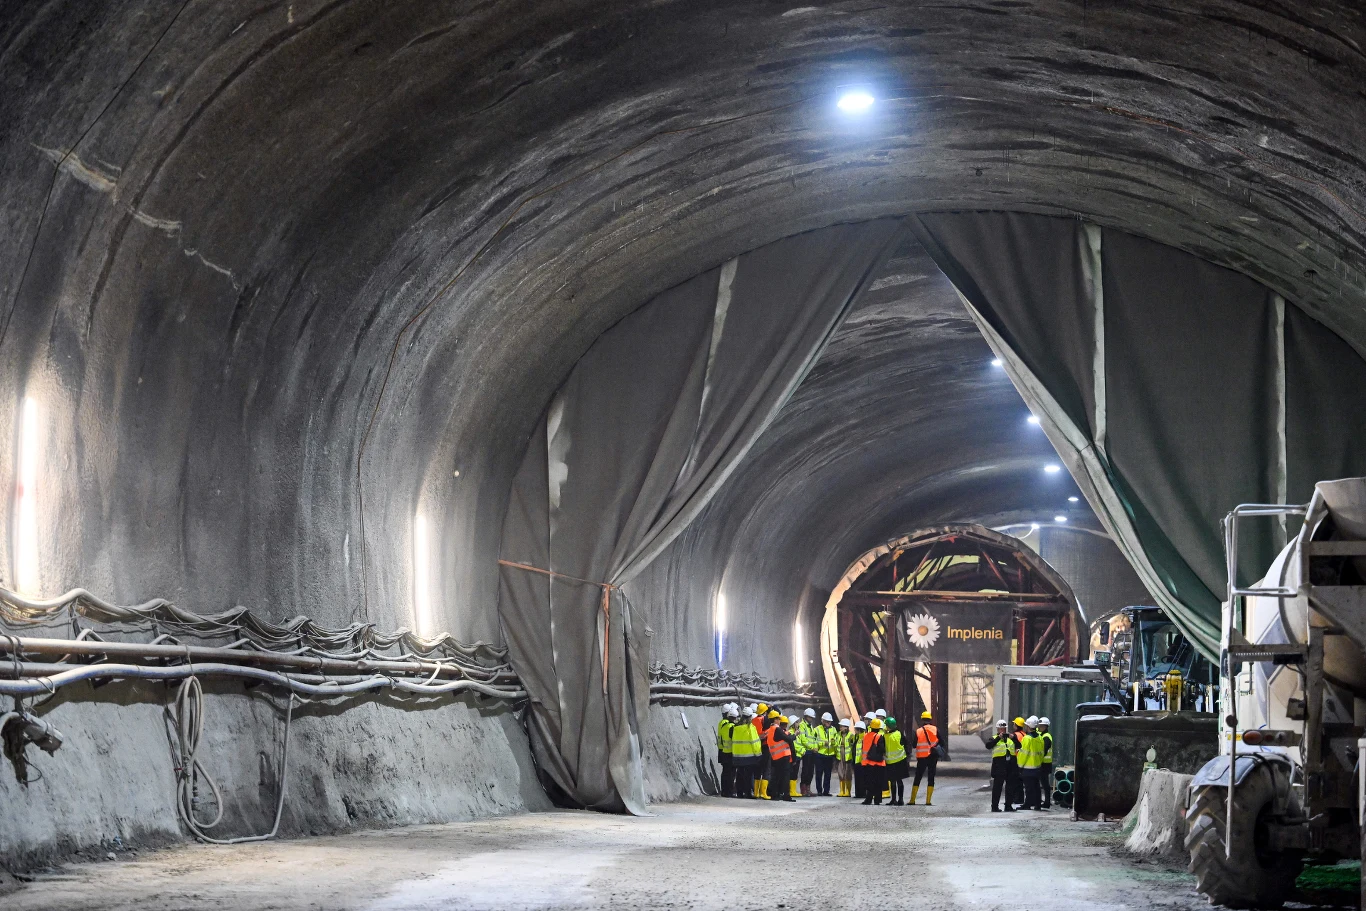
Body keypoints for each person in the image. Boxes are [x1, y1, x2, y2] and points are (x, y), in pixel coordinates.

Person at [909, 710, 940, 805]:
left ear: (922, 720)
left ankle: (912, 800)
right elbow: (942, 742)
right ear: (930, 720)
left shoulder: (918, 731)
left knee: (918, 777)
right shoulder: (935, 729)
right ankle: (928, 801)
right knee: (931, 778)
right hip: (933, 756)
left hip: (922, 757)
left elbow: (914, 745)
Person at [730, 706, 761, 798]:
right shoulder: (750, 728)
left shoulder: (736, 727)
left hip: (737, 756)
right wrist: (758, 754)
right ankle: (747, 793)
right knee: (748, 775)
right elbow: (755, 742)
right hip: (749, 756)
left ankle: (739, 793)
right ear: (750, 717)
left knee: (739, 775)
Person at [988, 719, 1018, 812]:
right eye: (1001, 729)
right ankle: (995, 806)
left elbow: (1019, 745)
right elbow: (988, 745)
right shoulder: (994, 738)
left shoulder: (1011, 739)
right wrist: (998, 738)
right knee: (997, 787)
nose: (1002, 731)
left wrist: (1013, 738)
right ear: (997, 729)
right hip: (999, 765)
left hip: (1010, 765)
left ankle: (1008, 806)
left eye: (1004, 729)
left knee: (1010, 786)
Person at [765, 713, 795, 801]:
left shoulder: (770, 729)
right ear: (775, 720)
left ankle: (775, 795)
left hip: (775, 756)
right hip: (783, 756)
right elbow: (788, 739)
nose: (779, 721)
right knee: (785, 776)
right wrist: (795, 735)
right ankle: (786, 795)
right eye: (778, 719)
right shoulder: (777, 729)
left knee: (776, 776)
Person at [1018, 715, 1045, 810]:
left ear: (1028, 726)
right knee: (1037, 787)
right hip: (1037, 767)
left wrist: (1020, 766)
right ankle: (1038, 805)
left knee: (1028, 788)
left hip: (1028, 768)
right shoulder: (1040, 738)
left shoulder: (1027, 738)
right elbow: (1041, 753)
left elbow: (1023, 754)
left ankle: (1027, 804)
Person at [860, 718, 887, 805]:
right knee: (878, 782)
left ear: (870, 727)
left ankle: (868, 799)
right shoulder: (879, 736)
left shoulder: (865, 736)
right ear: (879, 728)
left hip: (867, 762)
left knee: (869, 782)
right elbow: (882, 749)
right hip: (878, 763)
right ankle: (877, 799)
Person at [883, 717, 909, 805]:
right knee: (899, 781)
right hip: (901, 760)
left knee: (892, 781)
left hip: (890, 762)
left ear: (888, 726)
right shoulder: (899, 733)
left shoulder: (885, 736)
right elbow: (906, 743)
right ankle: (901, 800)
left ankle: (893, 799)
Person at [814, 712, 837, 796]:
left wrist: (834, 743)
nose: (828, 723)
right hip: (820, 754)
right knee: (819, 773)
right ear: (822, 721)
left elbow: (836, 740)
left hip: (829, 755)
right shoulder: (817, 729)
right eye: (826, 721)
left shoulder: (833, 729)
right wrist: (823, 743)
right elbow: (814, 741)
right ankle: (819, 791)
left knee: (828, 774)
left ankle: (826, 791)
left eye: (829, 722)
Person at [717, 703, 736, 798]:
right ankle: (728, 790)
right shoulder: (726, 724)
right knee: (729, 773)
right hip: (727, 751)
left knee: (725, 772)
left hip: (723, 750)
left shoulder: (722, 723)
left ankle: (725, 790)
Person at [1008, 716, 1027, 807]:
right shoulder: (1025, 734)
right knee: (1020, 781)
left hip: (1015, 759)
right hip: (1023, 759)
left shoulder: (1014, 735)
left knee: (1014, 781)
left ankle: (1016, 798)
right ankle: (1020, 798)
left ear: (1016, 725)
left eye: (1014, 724)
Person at [834, 718, 854, 796]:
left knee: (848, 773)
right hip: (840, 756)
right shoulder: (838, 734)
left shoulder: (851, 735)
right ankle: (842, 791)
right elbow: (836, 744)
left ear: (846, 727)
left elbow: (852, 746)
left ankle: (848, 792)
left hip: (847, 756)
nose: (840, 728)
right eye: (840, 726)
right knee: (841, 773)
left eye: (842, 726)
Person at [1038, 717, 1054, 810]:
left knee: (1045, 784)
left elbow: (1044, 750)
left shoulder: (1047, 737)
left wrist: (1037, 759)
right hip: (1044, 763)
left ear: (1045, 726)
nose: (1039, 727)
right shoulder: (1043, 735)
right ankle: (1045, 801)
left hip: (1045, 763)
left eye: (1041, 725)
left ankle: (1047, 801)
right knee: (1044, 783)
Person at [786, 715, 804, 798]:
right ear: (793, 724)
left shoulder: (796, 731)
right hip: (795, 755)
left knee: (795, 773)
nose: (798, 723)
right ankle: (791, 791)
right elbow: (794, 745)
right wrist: (802, 750)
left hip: (798, 755)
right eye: (796, 722)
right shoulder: (791, 732)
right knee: (793, 773)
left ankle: (793, 790)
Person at [852, 719, 868, 799]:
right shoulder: (857, 738)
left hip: (863, 762)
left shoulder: (865, 737)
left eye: (855, 729)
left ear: (859, 729)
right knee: (857, 779)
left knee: (863, 779)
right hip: (857, 762)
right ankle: (858, 793)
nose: (854, 730)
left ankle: (863, 793)